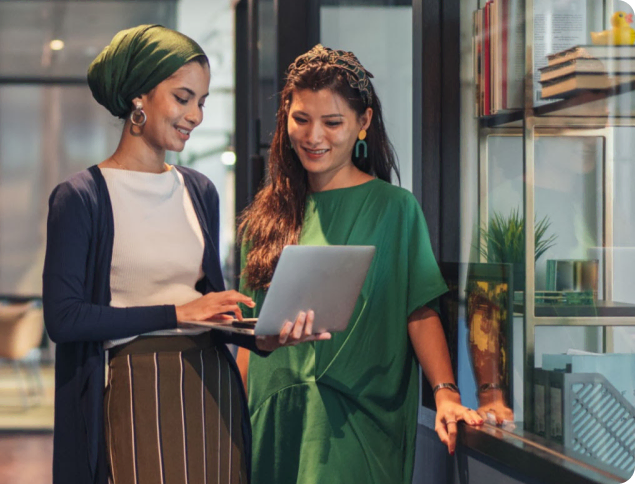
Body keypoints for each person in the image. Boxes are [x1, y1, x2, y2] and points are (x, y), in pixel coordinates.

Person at [43, 25, 328, 484]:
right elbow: (64, 319)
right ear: (139, 97)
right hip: (136, 386)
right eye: (183, 97)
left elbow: (209, 308)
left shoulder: (198, 190)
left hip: (212, 384)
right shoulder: (81, 197)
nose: (195, 115)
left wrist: (262, 337)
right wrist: (177, 311)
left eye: (202, 101)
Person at [236, 45, 484, 484]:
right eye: (301, 119)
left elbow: (419, 308)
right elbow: (247, 334)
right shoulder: (265, 217)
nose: (314, 137)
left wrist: (446, 392)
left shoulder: (395, 210)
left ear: (363, 122)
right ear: (285, 118)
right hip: (272, 414)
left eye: (332, 123)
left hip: (358, 420)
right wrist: (233, 419)